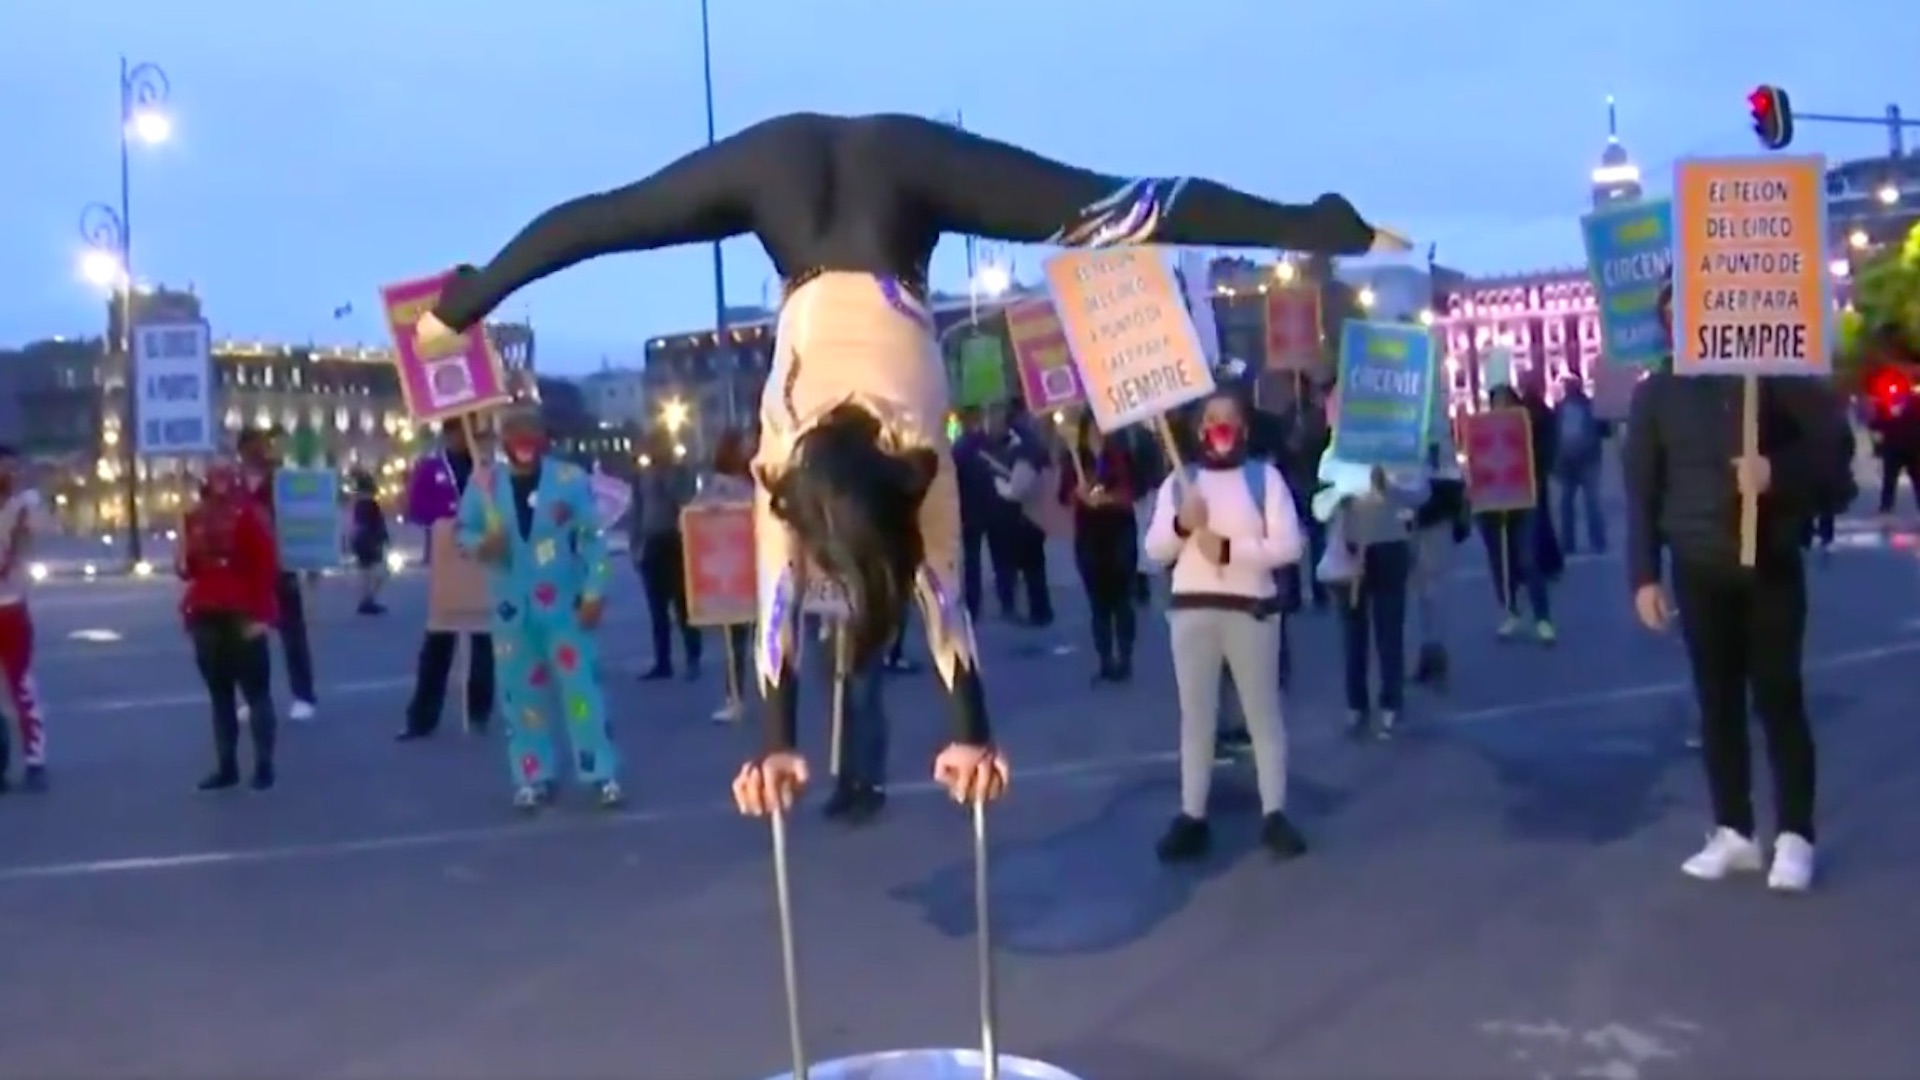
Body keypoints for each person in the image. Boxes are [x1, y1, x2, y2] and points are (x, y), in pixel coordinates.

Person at [412, 110, 1406, 818]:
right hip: (882, 176)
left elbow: (844, 620)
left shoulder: (874, 465)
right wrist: (813, 744)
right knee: (1104, 209)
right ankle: (1315, 219)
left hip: (812, 179)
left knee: (619, 218)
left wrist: (795, 744)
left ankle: (1315, 221)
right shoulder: (814, 472)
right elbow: (915, 612)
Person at [1624, 281, 1842, 892]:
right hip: (1698, 568)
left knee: (1779, 698)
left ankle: (1795, 835)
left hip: (1769, 562)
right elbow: (1641, 491)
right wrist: (1644, 574)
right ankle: (1734, 830)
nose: (1680, 323)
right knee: (1717, 704)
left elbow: (1832, 452)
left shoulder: (1768, 376)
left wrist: (1776, 473)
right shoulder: (1657, 394)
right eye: (1669, 315)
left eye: (1688, 309)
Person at [1144, 391, 1310, 862]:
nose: (1221, 427)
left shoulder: (1265, 479)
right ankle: (1191, 815)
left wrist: (1233, 553)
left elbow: (1290, 545)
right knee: (1197, 719)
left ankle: (1274, 812)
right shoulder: (1180, 484)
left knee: (1262, 715)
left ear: (1244, 427)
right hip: (1192, 611)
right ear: (1199, 430)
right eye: (1213, 419)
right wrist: (1181, 524)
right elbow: (1155, 549)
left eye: (1230, 419)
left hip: (1251, 610)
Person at [454, 405, 623, 810]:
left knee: (582, 693)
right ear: (502, 438)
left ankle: (600, 771)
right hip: (512, 612)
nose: (522, 436)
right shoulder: (484, 484)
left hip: (565, 608)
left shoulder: (569, 480)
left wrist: (595, 591)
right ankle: (532, 775)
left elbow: (592, 540)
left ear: (543, 434)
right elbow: (463, 531)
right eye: (513, 428)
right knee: (519, 698)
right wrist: (481, 546)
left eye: (530, 427)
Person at [177, 460, 281, 792]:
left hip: (206, 612)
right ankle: (263, 769)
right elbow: (266, 564)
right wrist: (263, 614)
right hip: (241, 611)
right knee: (256, 694)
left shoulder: (195, 518)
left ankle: (228, 767)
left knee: (221, 696)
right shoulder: (249, 515)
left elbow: (186, 569)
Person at [1318, 440, 1429, 739]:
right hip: (1351, 550)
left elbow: (1420, 494)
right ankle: (1356, 705)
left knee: (1389, 631)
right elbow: (1321, 495)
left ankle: (1391, 703)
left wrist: (1388, 488)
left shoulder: (1403, 447)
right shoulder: (1341, 447)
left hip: (1391, 546)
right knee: (1353, 634)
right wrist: (1342, 495)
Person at [399, 418, 496, 739]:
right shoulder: (431, 468)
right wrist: (446, 521)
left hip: (482, 559)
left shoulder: (488, 471)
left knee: (484, 641)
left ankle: (479, 710)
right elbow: (416, 508)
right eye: (458, 433)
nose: (465, 440)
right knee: (438, 642)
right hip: (447, 561)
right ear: (448, 434)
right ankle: (422, 718)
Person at [236, 427, 318, 723]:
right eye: (253, 447)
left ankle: (304, 695)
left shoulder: (283, 480)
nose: (259, 452)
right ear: (242, 451)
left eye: (263, 446)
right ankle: (254, 697)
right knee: (248, 639)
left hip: (282, 565)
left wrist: (310, 564)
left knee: (292, 634)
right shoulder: (236, 484)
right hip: (247, 571)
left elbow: (306, 517)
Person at [1059, 414, 1138, 681]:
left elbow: (1133, 491)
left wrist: (1107, 499)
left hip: (1119, 534)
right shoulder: (1075, 459)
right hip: (1089, 537)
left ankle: (1125, 657)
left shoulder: (1120, 455)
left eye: (1099, 428)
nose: (1095, 434)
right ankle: (1105, 658)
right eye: (1090, 429)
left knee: (1122, 601)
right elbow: (1063, 495)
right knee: (1098, 604)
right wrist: (1077, 493)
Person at [1480, 385, 1556, 644]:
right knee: (1502, 563)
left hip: (1524, 503)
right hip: (1494, 508)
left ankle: (1542, 618)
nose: (1500, 408)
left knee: (1528, 560)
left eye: (1505, 402)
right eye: (1496, 403)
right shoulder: (1485, 429)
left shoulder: (1528, 426)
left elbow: (1544, 457)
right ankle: (1511, 611)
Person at [630, 431, 701, 680]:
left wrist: (667, 476)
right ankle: (663, 661)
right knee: (657, 610)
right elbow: (637, 508)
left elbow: (685, 499)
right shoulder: (643, 474)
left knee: (683, 606)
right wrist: (635, 544)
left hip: (675, 540)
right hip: (652, 543)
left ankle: (693, 658)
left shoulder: (678, 472)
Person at [697, 428, 756, 723]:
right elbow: (696, 519)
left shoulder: (753, 480)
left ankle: (740, 696)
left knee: (748, 638)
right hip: (734, 569)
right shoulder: (720, 486)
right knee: (739, 638)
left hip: (748, 566)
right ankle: (736, 695)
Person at [0, 446, 49, 792]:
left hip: (12, 606)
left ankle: (35, 759)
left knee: (22, 686)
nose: (9, 475)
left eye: (12, 470)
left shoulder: (22, 506)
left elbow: (39, 528)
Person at [814, 615, 891, 824]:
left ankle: (870, 783)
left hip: (866, 620)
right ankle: (845, 779)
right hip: (829, 622)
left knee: (864, 701)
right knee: (839, 704)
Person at [1410, 436, 1468, 688]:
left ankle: (1432, 650)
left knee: (1428, 589)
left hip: (1428, 517)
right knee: (1427, 590)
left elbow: (1451, 476)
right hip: (1425, 516)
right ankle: (1430, 648)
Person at [1552, 376, 1609, 554]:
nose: (1569, 389)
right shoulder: (1560, 408)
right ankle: (1569, 543)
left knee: (1591, 502)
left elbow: (1603, 429)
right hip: (1569, 461)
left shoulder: (1591, 406)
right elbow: (1555, 434)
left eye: (1571, 386)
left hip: (1587, 459)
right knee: (1568, 504)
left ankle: (1597, 541)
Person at [348, 469, 390, 615]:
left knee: (366, 573)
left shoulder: (358, 505)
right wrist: (384, 539)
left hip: (362, 542)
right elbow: (377, 524)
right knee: (379, 572)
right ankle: (368, 600)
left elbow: (356, 525)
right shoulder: (369, 504)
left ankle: (366, 600)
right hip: (370, 542)